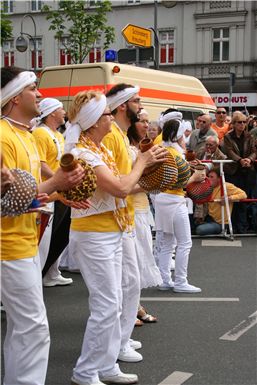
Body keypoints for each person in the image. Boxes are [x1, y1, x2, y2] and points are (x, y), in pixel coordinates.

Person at [64, 90, 166, 385]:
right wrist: (142, 163)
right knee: (106, 304)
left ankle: (106, 364)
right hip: (94, 235)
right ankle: (84, 371)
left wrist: (144, 170)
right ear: (95, 122)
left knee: (116, 300)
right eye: (107, 114)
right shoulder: (84, 153)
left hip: (111, 230)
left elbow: (123, 185)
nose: (111, 117)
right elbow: (120, 188)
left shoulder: (99, 149)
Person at [0, 67, 87, 385]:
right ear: (13, 97)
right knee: (33, 327)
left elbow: (31, 187)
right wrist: (58, 184)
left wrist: (63, 193)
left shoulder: (24, 134)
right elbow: (7, 198)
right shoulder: (3, 136)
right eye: (33, 88)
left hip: (22, 241)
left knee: (23, 326)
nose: (39, 94)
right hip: (8, 245)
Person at [103, 83, 144, 363]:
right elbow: (119, 184)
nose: (141, 106)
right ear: (122, 105)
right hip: (112, 221)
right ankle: (118, 345)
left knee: (130, 283)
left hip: (124, 218)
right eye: (137, 101)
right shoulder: (111, 137)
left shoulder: (120, 135)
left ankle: (123, 338)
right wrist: (150, 175)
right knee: (126, 285)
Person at [154, 109, 202, 293]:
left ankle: (165, 279)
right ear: (178, 136)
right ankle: (180, 281)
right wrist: (195, 178)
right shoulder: (174, 154)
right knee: (184, 243)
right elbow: (177, 181)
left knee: (168, 242)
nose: (186, 139)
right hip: (174, 200)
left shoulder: (164, 150)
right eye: (184, 135)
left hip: (163, 200)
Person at [32, 97, 73, 286]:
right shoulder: (41, 133)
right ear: (52, 113)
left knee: (60, 234)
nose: (64, 112)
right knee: (45, 237)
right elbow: (41, 164)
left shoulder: (57, 134)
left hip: (59, 188)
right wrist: (57, 181)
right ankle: (36, 277)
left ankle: (51, 272)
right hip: (47, 190)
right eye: (61, 109)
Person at [127, 109, 162, 325]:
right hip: (131, 211)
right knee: (135, 263)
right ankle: (131, 309)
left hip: (142, 209)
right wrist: (152, 182)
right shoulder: (128, 148)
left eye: (149, 122)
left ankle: (135, 306)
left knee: (140, 260)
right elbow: (126, 183)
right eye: (142, 121)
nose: (147, 126)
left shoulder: (140, 148)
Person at [223, 112, 257, 233]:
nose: (242, 124)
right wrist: (240, 160)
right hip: (233, 171)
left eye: (244, 122)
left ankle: (242, 228)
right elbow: (229, 151)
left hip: (247, 172)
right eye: (239, 122)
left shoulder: (249, 136)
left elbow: (254, 150)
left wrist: (249, 159)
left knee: (244, 200)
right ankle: (232, 227)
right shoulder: (228, 136)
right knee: (233, 200)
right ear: (233, 124)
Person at [195, 169, 247, 235]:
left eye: (212, 177)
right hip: (208, 218)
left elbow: (243, 194)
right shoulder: (208, 187)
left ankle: (221, 229)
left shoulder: (226, 186)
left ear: (219, 179)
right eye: (208, 176)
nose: (208, 179)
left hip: (221, 223)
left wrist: (229, 198)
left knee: (200, 230)